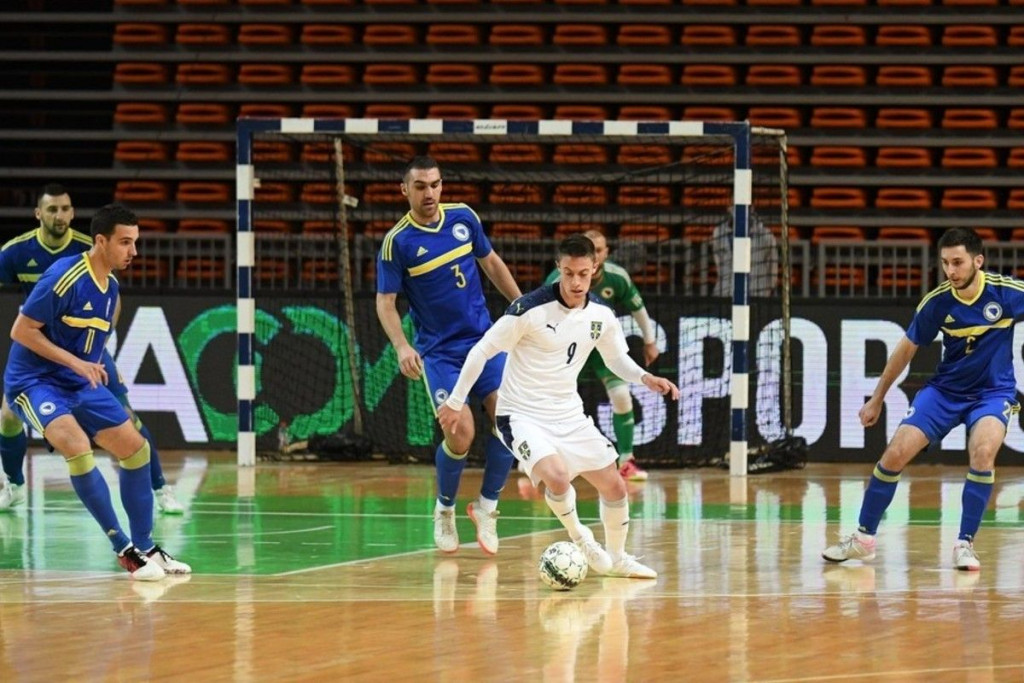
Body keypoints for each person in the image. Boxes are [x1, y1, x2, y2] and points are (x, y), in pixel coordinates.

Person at [439, 234, 680, 578]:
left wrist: (645, 377)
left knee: (614, 485)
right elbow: (481, 352)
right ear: (559, 269)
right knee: (557, 476)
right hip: (520, 415)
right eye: (569, 273)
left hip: (568, 414)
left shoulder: (601, 315)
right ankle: (581, 538)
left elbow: (616, 359)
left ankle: (618, 558)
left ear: (595, 268)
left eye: (583, 274)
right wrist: (455, 400)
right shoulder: (528, 310)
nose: (576, 282)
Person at [3, 203, 190, 580]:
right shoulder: (63, 276)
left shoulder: (111, 287)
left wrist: (93, 369)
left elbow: (89, 345)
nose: (133, 251)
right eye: (125, 242)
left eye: (135, 242)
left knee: (136, 449)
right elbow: (21, 331)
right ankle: (123, 548)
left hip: (78, 382)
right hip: (33, 381)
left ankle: (146, 547)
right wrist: (76, 364)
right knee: (76, 445)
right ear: (101, 241)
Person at [823, 227, 1023, 571]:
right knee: (895, 452)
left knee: (983, 452)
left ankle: (964, 544)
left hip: (992, 393)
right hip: (945, 391)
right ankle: (863, 539)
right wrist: (876, 398)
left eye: (957, 262)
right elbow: (905, 350)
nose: (950, 271)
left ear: (978, 261)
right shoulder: (937, 302)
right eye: (945, 263)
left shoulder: (1006, 293)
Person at [376, 156, 521, 555]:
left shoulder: (463, 217)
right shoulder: (397, 242)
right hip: (441, 354)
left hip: (484, 342)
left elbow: (491, 263)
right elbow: (385, 302)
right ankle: (444, 509)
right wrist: (402, 346)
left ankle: (487, 507)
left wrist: (522, 308)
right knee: (460, 433)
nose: (430, 193)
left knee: (509, 421)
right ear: (404, 190)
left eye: (436, 184)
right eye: (421, 186)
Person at [545, 228, 659, 482]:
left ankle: (626, 461)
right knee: (552, 400)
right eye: (590, 249)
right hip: (567, 348)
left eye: (598, 250)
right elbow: (541, 317)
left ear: (605, 253)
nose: (595, 254)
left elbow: (638, 308)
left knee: (622, 396)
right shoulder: (557, 279)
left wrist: (650, 341)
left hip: (599, 346)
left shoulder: (617, 277)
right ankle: (542, 457)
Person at [711, 208, 779, 298]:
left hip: (757, 295)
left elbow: (773, 268)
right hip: (726, 294)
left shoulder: (766, 236)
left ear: (752, 208)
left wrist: (768, 290)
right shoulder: (718, 233)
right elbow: (719, 265)